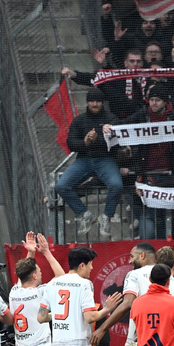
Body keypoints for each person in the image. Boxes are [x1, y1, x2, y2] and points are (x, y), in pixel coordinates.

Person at [54, 87, 122, 238]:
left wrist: (109, 134)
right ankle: (84, 214)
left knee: (116, 185)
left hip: (105, 158)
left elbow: (119, 142)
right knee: (61, 185)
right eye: (92, 101)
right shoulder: (79, 121)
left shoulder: (111, 119)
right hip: (84, 159)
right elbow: (71, 143)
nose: (95, 104)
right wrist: (85, 141)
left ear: (102, 103)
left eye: (98, 101)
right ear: (87, 103)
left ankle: (106, 216)